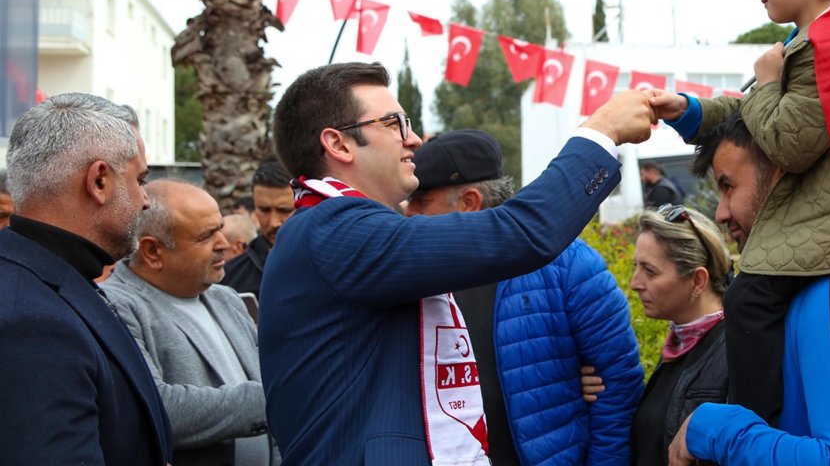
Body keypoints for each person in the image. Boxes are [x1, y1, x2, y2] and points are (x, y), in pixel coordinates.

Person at [258, 62, 655, 465]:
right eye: (394, 123)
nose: (413, 139)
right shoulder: (335, 230)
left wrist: (562, 382)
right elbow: (525, 232)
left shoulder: (338, 228)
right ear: (339, 144)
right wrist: (601, 132)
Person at [652, 0, 830, 422]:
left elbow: (789, 144)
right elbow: (754, 112)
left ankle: (748, 428)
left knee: (748, 300)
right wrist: (689, 110)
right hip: (819, 221)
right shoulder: (808, 41)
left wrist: (770, 78)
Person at [667, 114, 830, 465]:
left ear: (780, 177)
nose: (721, 213)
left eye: (728, 187)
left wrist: (713, 426)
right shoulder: (813, 288)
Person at [405, 129, 644, 466]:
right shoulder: (408, 275)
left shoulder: (568, 266)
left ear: (470, 202)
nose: (408, 211)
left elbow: (618, 387)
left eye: (421, 200)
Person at [0, 93, 172, 464]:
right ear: (99, 180)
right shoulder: (30, 321)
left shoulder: (47, 279)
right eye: (141, 179)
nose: (145, 199)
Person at [102, 179, 275, 465]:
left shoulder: (226, 299)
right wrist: (279, 399)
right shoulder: (115, 308)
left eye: (220, 228)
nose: (224, 244)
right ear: (153, 251)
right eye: (206, 236)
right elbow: (158, 408)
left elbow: (266, 375)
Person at [628, 204, 732, 466]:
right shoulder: (681, 344)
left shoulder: (733, 353)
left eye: (649, 271)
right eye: (635, 267)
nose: (635, 283)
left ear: (697, 281)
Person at [221, 157, 294, 298]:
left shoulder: (331, 265)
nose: (274, 223)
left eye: (284, 210)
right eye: (264, 210)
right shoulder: (231, 275)